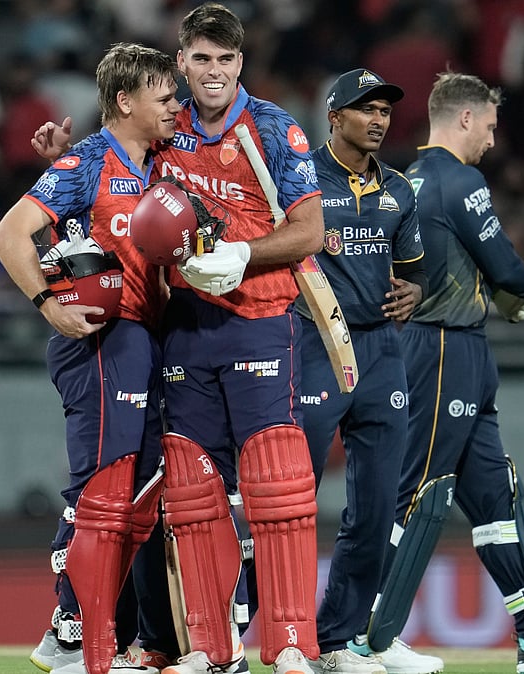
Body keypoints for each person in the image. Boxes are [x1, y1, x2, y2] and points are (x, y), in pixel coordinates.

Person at [36, 5, 326, 673]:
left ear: (241, 63)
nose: (214, 71)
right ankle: (211, 650)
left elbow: (309, 232)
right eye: (201, 58)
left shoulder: (276, 128)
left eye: (226, 59)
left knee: (277, 490)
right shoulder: (167, 129)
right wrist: (66, 166)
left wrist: (242, 257)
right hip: (186, 331)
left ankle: (289, 645)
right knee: (191, 495)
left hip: (258, 320)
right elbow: (113, 183)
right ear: (182, 62)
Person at [365, 71, 524, 674]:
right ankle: (365, 634)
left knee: (496, 500)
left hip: (453, 346)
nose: (494, 141)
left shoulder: (405, 180)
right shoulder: (460, 180)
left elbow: (481, 277)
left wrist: (510, 295)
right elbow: (512, 274)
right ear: (466, 118)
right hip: (445, 350)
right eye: (492, 127)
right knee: (415, 494)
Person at [0, 42, 182, 674]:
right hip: (103, 341)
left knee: (143, 491)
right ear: (125, 101)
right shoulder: (87, 164)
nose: (175, 106)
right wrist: (47, 303)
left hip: (149, 341)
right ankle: (68, 633)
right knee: (100, 488)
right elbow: (8, 234)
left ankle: (99, 630)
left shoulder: (159, 163)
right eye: (163, 96)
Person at [291, 67, 434, 674]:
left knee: (376, 506)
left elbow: (416, 273)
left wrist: (414, 296)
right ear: (334, 117)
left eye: (384, 111)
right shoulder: (298, 181)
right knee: (290, 502)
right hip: (314, 343)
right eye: (365, 109)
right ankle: (276, 635)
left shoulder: (401, 190)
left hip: (380, 354)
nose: (379, 120)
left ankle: (338, 640)